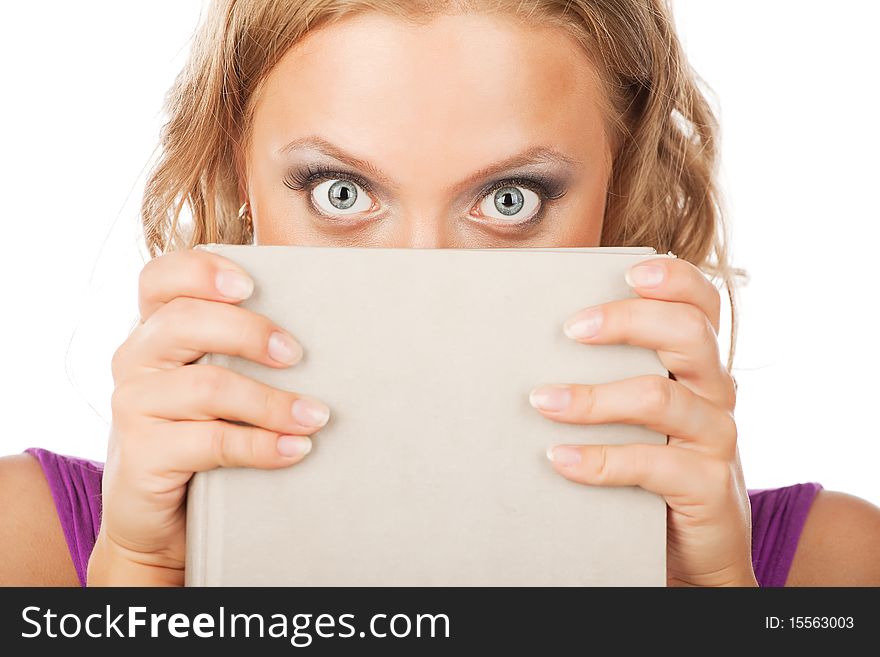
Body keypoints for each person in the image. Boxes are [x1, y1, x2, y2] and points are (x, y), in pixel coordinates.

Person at [3, 0, 879, 588]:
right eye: (339, 191)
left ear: (622, 192)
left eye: (511, 200)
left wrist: (711, 612)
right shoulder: (31, 544)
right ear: (240, 178)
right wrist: (136, 582)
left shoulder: (831, 571)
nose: (419, 278)